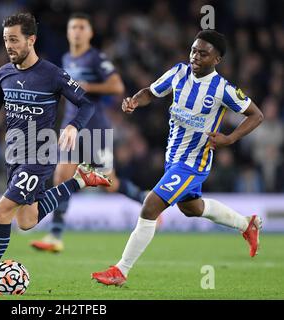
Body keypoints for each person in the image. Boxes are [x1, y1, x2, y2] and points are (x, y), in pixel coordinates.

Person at [0, 12, 111, 294]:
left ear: (31, 39)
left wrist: (75, 127)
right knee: (26, 221)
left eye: (14, 40)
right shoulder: (4, 73)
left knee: (1, 212)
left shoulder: (52, 74)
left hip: (39, 155)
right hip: (13, 155)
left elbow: (86, 103)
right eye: (5, 40)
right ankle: (80, 180)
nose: (9, 46)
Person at [91, 30, 264, 286]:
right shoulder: (178, 72)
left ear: (217, 60)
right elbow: (151, 91)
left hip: (193, 163)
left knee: (150, 206)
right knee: (191, 208)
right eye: (194, 50)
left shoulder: (222, 89)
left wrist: (230, 138)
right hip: (173, 158)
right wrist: (136, 101)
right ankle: (246, 224)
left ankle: (121, 270)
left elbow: (256, 115)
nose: (195, 57)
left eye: (203, 54)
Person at [30, 13, 147, 253]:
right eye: (73, 27)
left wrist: (88, 87)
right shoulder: (65, 58)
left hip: (95, 129)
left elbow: (117, 86)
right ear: (67, 32)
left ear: (90, 33)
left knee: (109, 183)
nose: (77, 31)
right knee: (61, 176)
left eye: (82, 27)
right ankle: (55, 236)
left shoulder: (95, 58)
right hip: (71, 126)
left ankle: (146, 200)